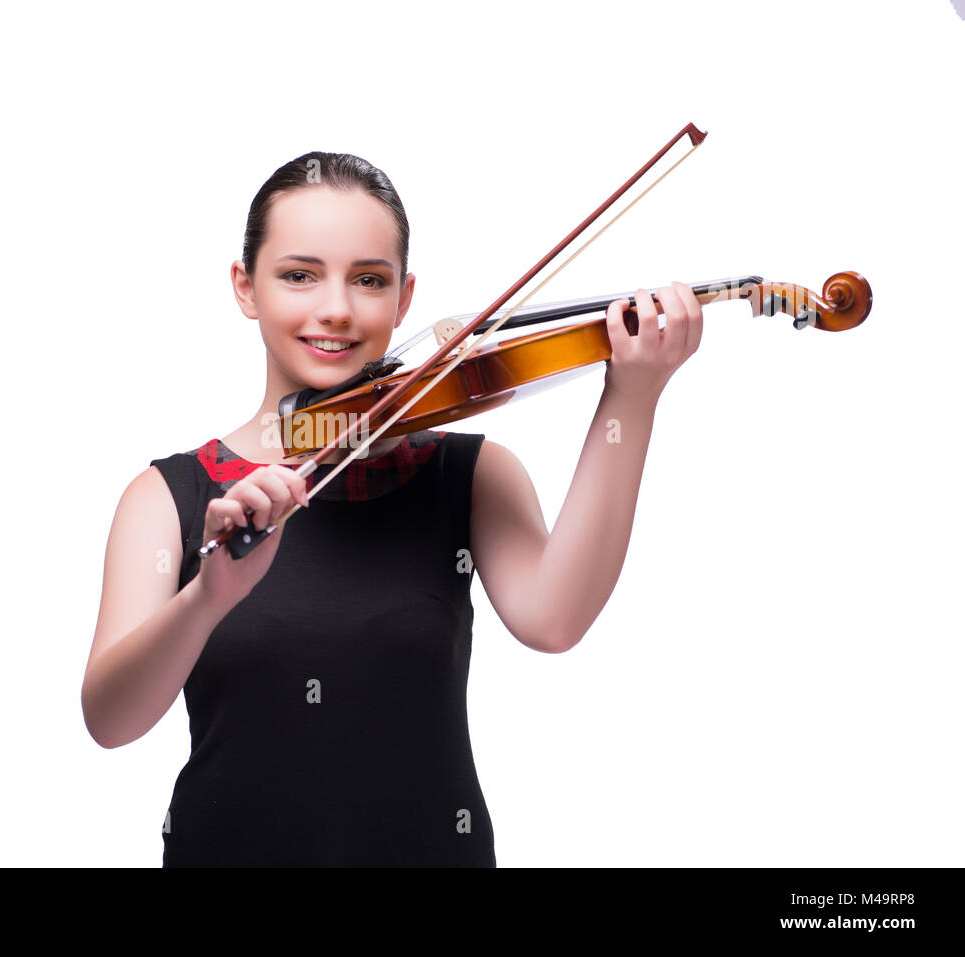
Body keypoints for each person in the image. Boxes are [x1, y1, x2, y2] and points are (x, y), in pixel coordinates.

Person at [80, 151, 702, 867]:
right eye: (299, 275)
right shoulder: (171, 494)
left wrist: (633, 395)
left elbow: (554, 618)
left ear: (406, 299)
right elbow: (110, 720)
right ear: (245, 286)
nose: (337, 308)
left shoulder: (469, 473)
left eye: (369, 280)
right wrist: (208, 595)